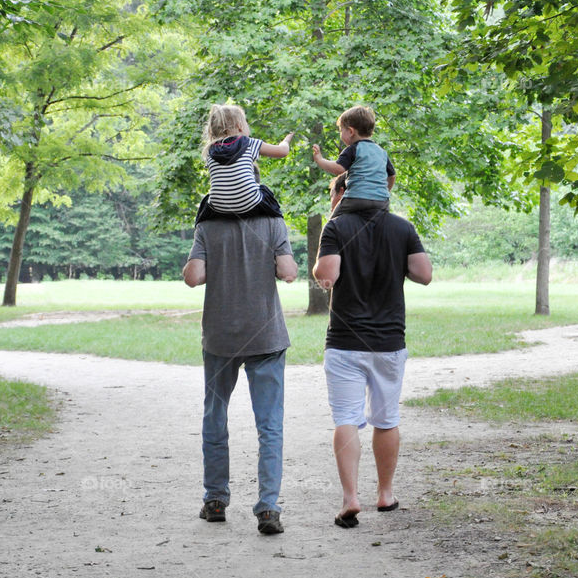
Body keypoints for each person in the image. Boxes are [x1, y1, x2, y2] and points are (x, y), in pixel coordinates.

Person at [312, 172, 432, 529]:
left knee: (346, 418)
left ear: (344, 192)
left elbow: (326, 276)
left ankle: (350, 498)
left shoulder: (335, 227)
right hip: (388, 342)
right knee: (387, 418)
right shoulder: (402, 227)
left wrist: (330, 236)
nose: (332, 198)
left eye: (333, 192)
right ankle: (385, 494)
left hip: (345, 342)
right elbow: (424, 274)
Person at [182, 208, 298, 535]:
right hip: (267, 337)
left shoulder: (207, 224)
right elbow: (288, 272)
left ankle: (215, 500)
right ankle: (268, 509)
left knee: (214, 416)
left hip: (220, 338)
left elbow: (193, 278)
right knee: (270, 424)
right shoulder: (274, 222)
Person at [195, 103, 294, 224]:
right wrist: (286, 140)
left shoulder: (209, 150)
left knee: (206, 200)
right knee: (265, 191)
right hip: (249, 203)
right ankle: (277, 223)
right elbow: (282, 151)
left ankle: (199, 226)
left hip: (219, 207)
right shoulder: (248, 143)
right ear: (240, 126)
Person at [311, 105, 395, 218]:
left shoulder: (353, 149)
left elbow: (338, 169)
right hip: (381, 202)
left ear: (350, 131)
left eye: (341, 130)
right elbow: (392, 176)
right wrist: (384, 191)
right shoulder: (381, 152)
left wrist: (320, 160)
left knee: (333, 223)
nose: (340, 134)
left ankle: (328, 234)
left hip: (357, 198)